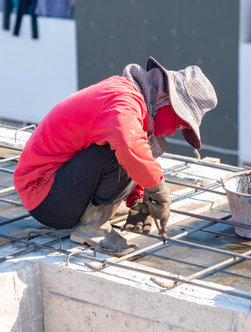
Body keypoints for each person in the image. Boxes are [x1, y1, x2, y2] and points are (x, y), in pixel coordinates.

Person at [13, 56, 218, 256]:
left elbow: (135, 152)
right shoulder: (124, 102)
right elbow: (129, 148)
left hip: (54, 190)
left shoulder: (128, 96)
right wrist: (159, 189)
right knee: (121, 148)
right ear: (167, 102)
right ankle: (93, 227)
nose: (174, 132)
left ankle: (94, 218)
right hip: (45, 197)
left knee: (130, 147)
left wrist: (136, 202)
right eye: (181, 124)